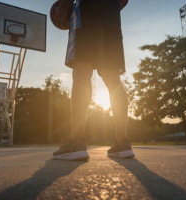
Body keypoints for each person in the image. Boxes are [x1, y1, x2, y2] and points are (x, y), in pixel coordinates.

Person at [52, 0, 135, 160]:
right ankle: (122, 143)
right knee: (113, 79)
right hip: (111, 15)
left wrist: (66, 3)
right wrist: (110, 8)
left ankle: (75, 143)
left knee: (82, 72)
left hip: (87, 11)